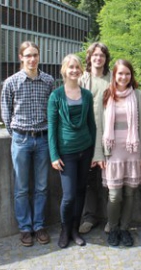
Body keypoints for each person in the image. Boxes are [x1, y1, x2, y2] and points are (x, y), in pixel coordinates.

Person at [93, 59, 141, 247]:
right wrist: (99, 154)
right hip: (112, 151)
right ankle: (113, 227)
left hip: (133, 150)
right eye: (120, 73)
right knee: (114, 195)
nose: (124, 77)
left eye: (127, 73)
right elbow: (100, 127)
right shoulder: (107, 94)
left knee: (130, 193)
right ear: (114, 75)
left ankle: (125, 229)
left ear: (131, 75)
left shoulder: (138, 96)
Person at [1, 41, 53, 247]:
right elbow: (5, 113)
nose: (32, 59)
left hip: (42, 138)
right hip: (21, 139)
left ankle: (39, 225)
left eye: (35, 55)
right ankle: (25, 228)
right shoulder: (11, 82)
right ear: (21, 57)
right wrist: (17, 135)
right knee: (21, 187)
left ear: (39, 57)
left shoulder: (48, 81)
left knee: (42, 186)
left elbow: (52, 110)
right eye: (28, 55)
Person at [47, 54, 96, 248]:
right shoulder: (56, 96)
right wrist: (54, 155)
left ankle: (75, 229)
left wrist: (94, 153)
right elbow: (52, 127)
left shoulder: (87, 95)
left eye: (77, 67)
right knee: (68, 196)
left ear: (81, 70)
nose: (74, 70)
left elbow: (91, 125)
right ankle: (65, 230)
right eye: (70, 67)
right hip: (66, 152)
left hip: (85, 150)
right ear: (64, 70)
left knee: (81, 190)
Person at [78, 42, 111, 234]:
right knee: (89, 180)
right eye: (95, 55)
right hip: (88, 138)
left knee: (110, 180)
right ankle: (90, 217)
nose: (98, 58)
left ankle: (110, 217)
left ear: (106, 59)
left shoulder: (113, 78)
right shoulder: (82, 79)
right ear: (89, 58)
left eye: (102, 55)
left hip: (109, 138)